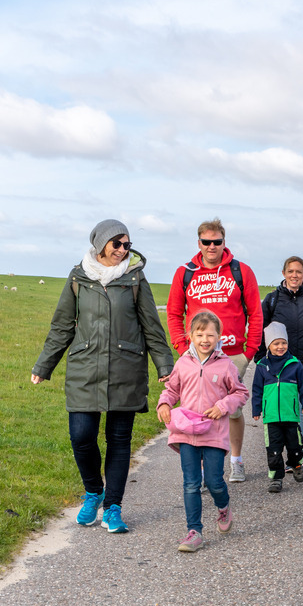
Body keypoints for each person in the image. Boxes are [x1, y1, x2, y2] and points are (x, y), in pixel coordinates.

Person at [32, 219, 174, 534]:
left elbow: (151, 326)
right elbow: (62, 326)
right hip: (85, 369)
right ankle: (93, 490)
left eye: (127, 245)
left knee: (119, 440)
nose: (123, 250)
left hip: (126, 368)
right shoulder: (78, 277)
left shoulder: (135, 278)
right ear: (100, 245)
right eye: (117, 244)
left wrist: (165, 365)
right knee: (81, 436)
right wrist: (44, 366)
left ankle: (113, 507)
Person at [167, 218, 262, 483]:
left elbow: (255, 313)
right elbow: (174, 313)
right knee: (197, 411)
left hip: (232, 354)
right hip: (195, 355)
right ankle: (201, 470)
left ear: (224, 242)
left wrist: (250, 350)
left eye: (216, 242)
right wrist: (182, 347)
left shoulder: (241, 271)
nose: (212, 246)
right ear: (199, 243)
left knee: (231, 410)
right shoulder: (185, 273)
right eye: (206, 242)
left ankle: (235, 460)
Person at [156, 311, 249, 552]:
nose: (205, 340)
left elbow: (240, 393)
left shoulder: (226, 365)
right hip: (186, 432)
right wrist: (164, 403)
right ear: (190, 336)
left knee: (214, 482)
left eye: (210, 335)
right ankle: (194, 532)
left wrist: (222, 406)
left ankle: (223, 507)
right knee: (191, 483)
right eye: (199, 335)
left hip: (214, 433)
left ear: (219, 336)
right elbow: (172, 389)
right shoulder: (182, 363)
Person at [255, 256, 303, 476]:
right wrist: (260, 359)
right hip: (281, 366)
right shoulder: (272, 299)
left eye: (298, 271)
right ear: (284, 274)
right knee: (286, 410)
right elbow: (261, 329)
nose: (294, 275)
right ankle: (290, 456)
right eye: (290, 271)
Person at [251, 322, 303, 493]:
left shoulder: (295, 364)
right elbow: (257, 389)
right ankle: (276, 478)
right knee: (274, 450)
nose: (280, 346)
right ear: (269, 345)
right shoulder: (262, 366)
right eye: (276, 343)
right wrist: (256, 409)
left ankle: (296, 464)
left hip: (290, 415)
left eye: (283, 343)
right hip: (271, 417)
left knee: (295, 446)